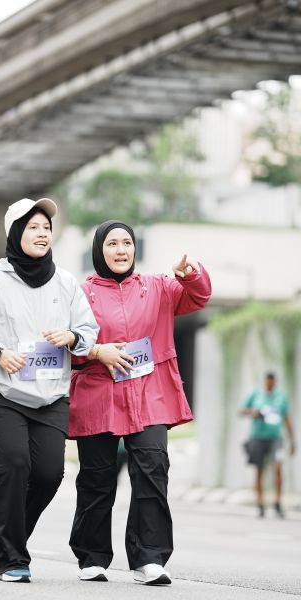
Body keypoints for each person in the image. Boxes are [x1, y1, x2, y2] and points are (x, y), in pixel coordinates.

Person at [0, 197, 98, 583]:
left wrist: (71, 336)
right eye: (33, 227)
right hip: (1, 393)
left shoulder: (66, 282)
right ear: (16, 233)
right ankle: (11, 557)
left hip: (50, 396)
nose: (42, 233)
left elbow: (88, 330)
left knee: (49, 474)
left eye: (47, 228)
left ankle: (12, 537)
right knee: (15, 465)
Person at [68, 220, 211, 585]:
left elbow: (197, 297)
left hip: (149, 396)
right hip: (98, 395)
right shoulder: (80, 294)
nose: (121, 250)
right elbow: (67, 345)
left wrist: (190, 275)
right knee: (97, 477)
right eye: (112, 243)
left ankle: (149, 559)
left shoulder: (158, 286)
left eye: (127, 243)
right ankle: (92, 557)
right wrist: (97, 352)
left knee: (153, 469)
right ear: (99, 249)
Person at [240, 372, 296, 518]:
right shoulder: (256, 395)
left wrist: (293, 441)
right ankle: (260, 503)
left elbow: (287, 418)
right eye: (267, 382)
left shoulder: (281, 397)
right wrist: (254, 413)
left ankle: (278, 502)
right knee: (259, 470)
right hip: (258, 437)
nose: (269, 384)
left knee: (277, 467)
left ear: (275, 382)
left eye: (272, 382)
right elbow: (242, 411)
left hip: (275, 438)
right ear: (264, 381)